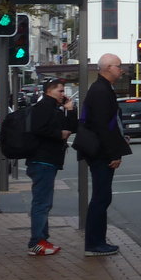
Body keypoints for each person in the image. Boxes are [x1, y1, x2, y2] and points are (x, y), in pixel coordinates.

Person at [81, 53, 132, 257]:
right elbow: (103, 127)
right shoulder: (102, 91)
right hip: (101, 153)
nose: (121, 70)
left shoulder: (101, 88)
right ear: (108, 67)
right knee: (101, 198)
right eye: (119, 66)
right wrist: (114, 153)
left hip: (100, 151)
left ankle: (98, 241)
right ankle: (94, 243)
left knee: (102, 197)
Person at [25, 78, 77, 256]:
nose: (63, 94)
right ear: (49, 91)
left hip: (49, 160)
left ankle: (42, 239)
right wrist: (58, 134)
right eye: (60, 91)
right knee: (42, 202)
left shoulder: (55, 108)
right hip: (42, 160)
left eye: (63, 91)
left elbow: (72, 128)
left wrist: (70, 111)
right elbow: (38, 129)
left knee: (44, 202)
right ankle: (36, 242)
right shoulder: (44, 107)